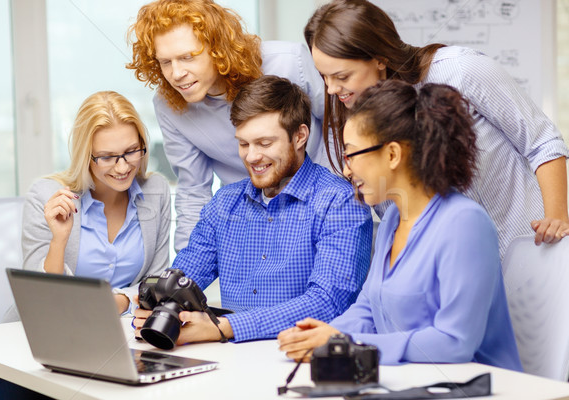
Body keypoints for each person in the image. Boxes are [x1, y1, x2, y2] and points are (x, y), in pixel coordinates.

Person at [277, 80, 523, 371]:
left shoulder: (465, 224)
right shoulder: (393, 217)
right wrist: (323, 337)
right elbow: (368, 306)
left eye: (351, 155)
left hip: (473, 386)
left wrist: (348, 342)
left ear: (393, 154)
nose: (345, 170)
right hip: (408, 381)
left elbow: (455, 342)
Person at [304, 0, 569, 257]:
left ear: (380, 59)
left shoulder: (459, 70)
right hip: (459, 269)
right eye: (323, 77)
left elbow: (542, 141)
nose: (331, 89)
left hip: (535, 248)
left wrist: (556, 217)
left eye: (342, 77)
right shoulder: (359, 121)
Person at [133, 75, 372, 344]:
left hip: (303, 360)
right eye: (243, 144)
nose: (251, 156)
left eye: (265, 143)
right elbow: (184, 276)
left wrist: (225, 327)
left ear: (300, 136)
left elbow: (327, 302)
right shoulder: (224, 203)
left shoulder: (340, 203)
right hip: (230, 361)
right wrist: (157, 304)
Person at [127, 0, 330, 252]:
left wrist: (334, 199)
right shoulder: (169, 106)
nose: (176, 73)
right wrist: (185, 273)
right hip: (254, 223)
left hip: (324, 203)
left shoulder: (290, 62)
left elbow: (341, 128)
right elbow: (193, 193)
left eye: (187, 57)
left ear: (217, 48)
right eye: (165, 62)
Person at [21, 90, 172, 315]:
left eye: (131, 151)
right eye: (107, 157)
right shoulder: (45, 195)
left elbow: (157, 281)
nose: (122, 168)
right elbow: (40, 297)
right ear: (85, 155)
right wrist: (59, 242)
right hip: (51, 327)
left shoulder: (156, 190)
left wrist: (120, 302)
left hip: (123, 331)